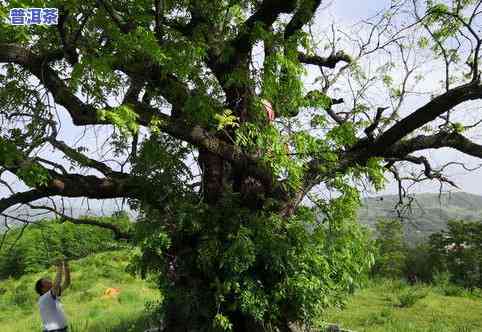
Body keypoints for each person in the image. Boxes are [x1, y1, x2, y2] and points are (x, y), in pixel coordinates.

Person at [34, 259, 71, 332]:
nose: (49, 281)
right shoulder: (45, 298)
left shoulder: (53, 295)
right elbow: (56, 285)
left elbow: (67, 283)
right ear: (42, 289)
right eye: (46, 282)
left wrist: (66, 267)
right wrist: (60, 266)